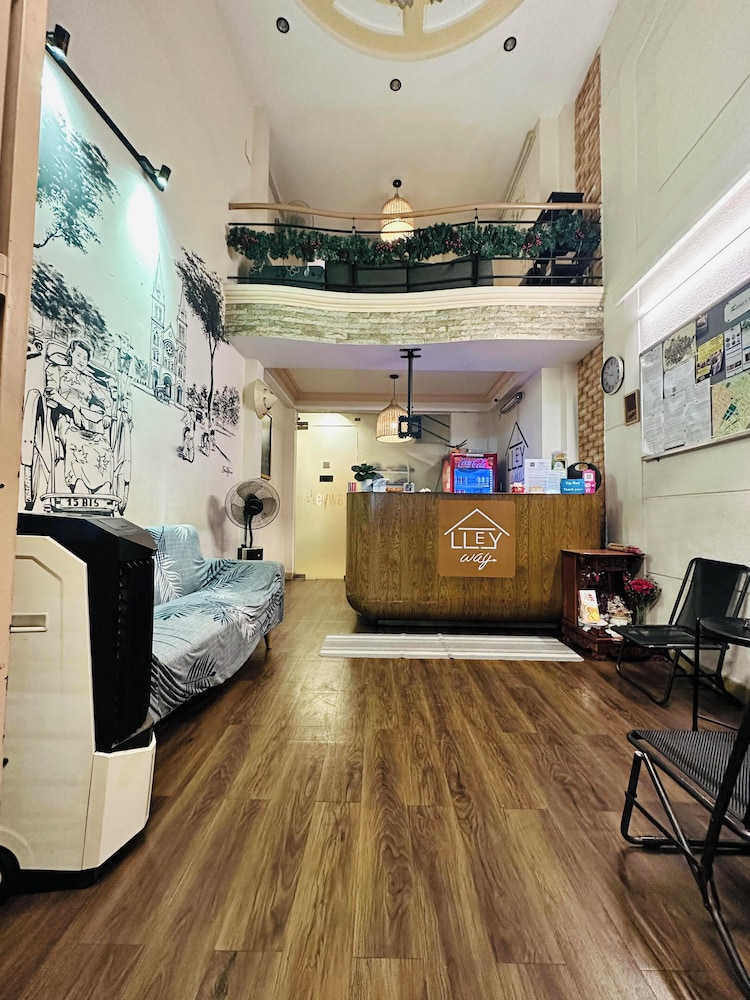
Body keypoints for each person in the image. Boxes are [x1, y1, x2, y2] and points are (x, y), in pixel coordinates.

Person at [44, 339, 114, 493]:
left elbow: (105, 400)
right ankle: (78, 485)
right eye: (79, 355)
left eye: (85, 357)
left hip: (88, 423)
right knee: (76, 442)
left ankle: (101, 489)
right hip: (66, 418)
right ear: (71, 355)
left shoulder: (88, 380)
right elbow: (52, 392)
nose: (82, 360)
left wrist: (108, 414)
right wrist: (73, 408)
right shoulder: (57, 369)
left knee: (103, 446)